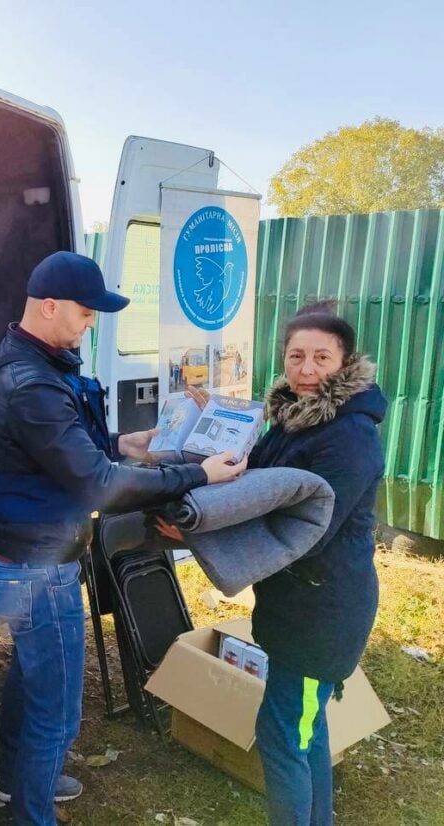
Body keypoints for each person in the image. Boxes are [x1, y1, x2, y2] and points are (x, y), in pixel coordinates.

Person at [0, 251, 245, 826]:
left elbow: (57, 450)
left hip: (19, 557)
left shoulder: (26, 363)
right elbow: (96, 486)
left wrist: (125, 443)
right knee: (61, 711)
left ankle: (12, 780)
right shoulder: (30, 385)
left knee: (32, 672)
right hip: (39, 568)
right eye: (84, 311)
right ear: (49, 307)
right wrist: (200, 473)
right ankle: (31, 812)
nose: (91, 322)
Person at [161, 302, 386, 826]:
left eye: (322, 358)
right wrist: (208, 428)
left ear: (346, 362)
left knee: (284, 736)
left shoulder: (349, 437)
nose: (307, 370)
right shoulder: (293, 419)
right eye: (296, 356)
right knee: (306, 730)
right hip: (294, 603)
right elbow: (249, 474)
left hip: (323, 611)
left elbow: (304, 527)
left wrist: (202, 528)